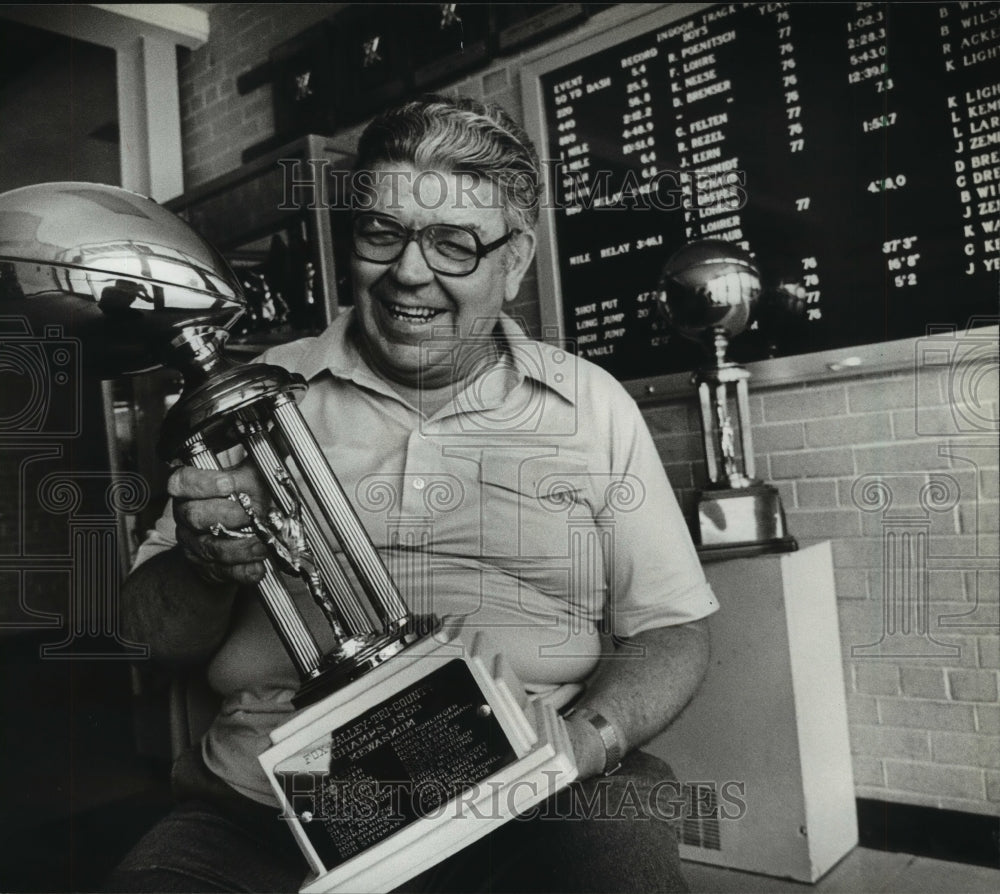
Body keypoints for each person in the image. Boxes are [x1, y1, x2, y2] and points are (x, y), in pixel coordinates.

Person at [107, 94, 718, 893]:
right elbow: (146, 638)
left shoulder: (591, 403)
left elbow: (672, 630)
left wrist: (586, 744)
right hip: (271, 804)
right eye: (381, 233)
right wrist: (202, 563)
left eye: (453, 244)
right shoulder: (247, 402)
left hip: (536, 792)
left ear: (516, 258)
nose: (408, 272)